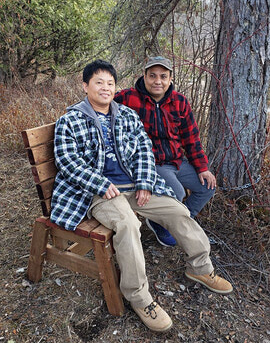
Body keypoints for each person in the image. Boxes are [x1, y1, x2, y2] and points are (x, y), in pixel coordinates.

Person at [50, 59, 233, 333]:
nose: (105, 88)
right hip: (99, 193)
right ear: (85, 85)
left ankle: (200, 267)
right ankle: (139, 296)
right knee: (128, 224)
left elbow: (144, 151)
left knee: (177, 210)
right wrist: (100, 184)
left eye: (110, 83)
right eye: (98, 82)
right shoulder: (71, 120)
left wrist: (146, 182)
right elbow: (68, 161)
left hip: (135, 187)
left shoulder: (126, 115)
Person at [114, 56, 216, 247]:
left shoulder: (179, 102)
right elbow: (101, 104)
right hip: (151, 163)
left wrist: (202, 167)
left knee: (207, 186)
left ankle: (178, 222)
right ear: (144, 76)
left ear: (170, 79)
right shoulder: (127, 98)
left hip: (177, 161)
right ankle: (160, 223)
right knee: (175, 191)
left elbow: (191, 138)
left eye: (163, 76)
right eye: (152, 76)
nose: (157, 81)